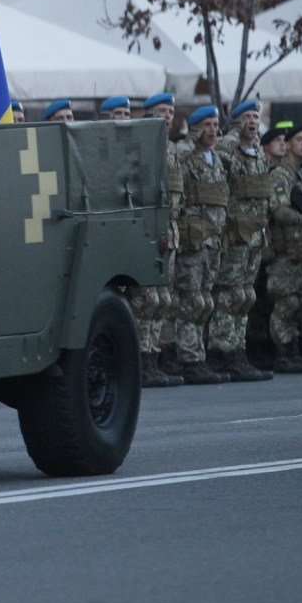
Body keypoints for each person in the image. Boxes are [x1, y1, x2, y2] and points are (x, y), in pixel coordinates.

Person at [209, 101, 274, 381]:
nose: (252, 121)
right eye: (246, 117)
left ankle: (238, 350)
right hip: (235, 235)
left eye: (255, 117)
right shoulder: (228, 152)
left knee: (246, 295)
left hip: (255, 236)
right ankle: (222, 351)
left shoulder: (258, 156)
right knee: (229, 294)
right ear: (237, 122)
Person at [173, 105, 231, 385]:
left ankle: (200, 354)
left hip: (214, 240)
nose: (213, 130)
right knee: (191, 301)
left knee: (206, 300)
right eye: (207, 124)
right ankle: (189, 358)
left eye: (215, 124)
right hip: (194, 240)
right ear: (195, 128)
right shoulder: (186, 157)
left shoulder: (216, 160)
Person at [131, 93, 184, 387]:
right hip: (147, 233)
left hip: (170, 232)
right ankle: (139, 359)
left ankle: (152, 356)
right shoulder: (139, 147)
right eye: (162, 111)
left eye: (171, 111)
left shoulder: (172, 150)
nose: (167, 116)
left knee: (162, 299)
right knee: (146, 299)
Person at [265, 124, 302, 372]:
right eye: (299, 139)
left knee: (299, 301)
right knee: (286, 302)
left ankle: (294, 350)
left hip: (299, 247)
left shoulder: (299, 175)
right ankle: (283, 353)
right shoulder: (281, 174)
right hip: (284, 249)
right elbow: (278, 210)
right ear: (289, 144)